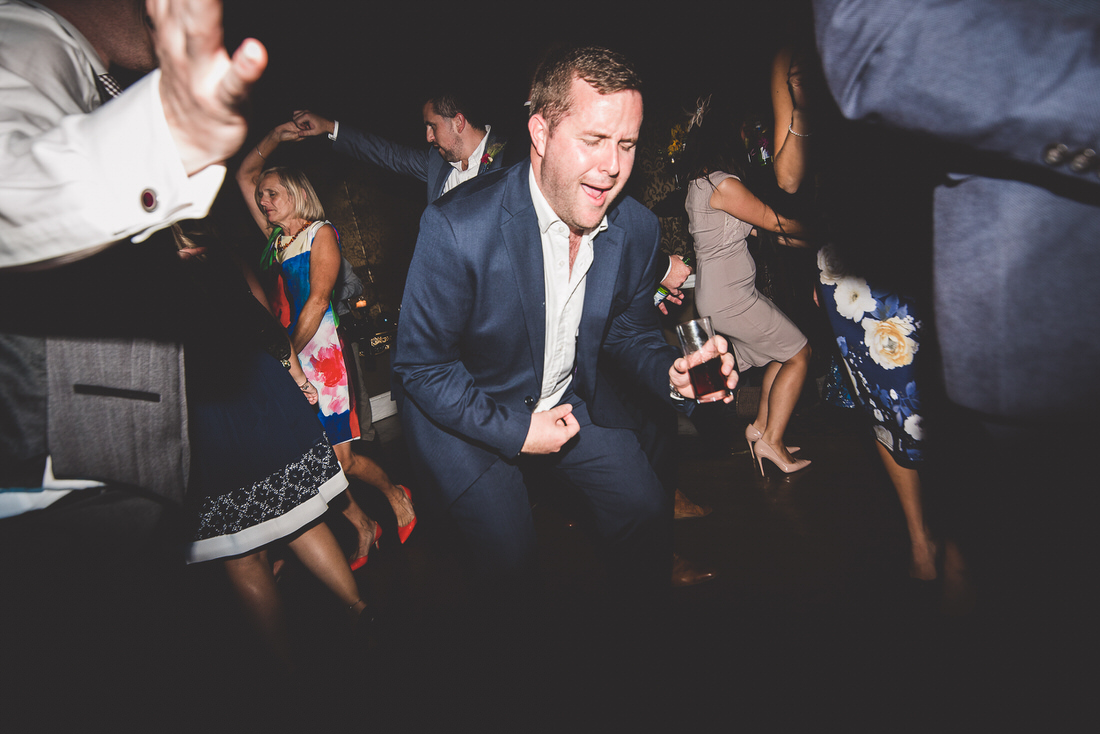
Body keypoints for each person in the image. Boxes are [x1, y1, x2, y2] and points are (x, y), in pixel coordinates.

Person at [390, 46, 738, 597]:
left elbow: (629, 331)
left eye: (625, 144)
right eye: (594, 140)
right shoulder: (457, 229)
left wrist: (672, 371)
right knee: (511, 561)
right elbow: (420, 367)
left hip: (562, 401)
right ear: (541, 133)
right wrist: (517, 430)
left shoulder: (637, 230)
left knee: (645, 504)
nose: (612, 166)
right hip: (466, 418)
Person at [812, 0, 1100, 618]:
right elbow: (871, 34)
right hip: (994, 284)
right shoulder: (799, 79)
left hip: (917, 256)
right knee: (897, 410)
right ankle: (925, 544)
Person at [237, 124, 417, 566]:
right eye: (261, 197)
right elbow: (244, 175)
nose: (263, 201)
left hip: (321, 353)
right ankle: (362, 525)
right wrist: (277, 134)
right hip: (290, 356)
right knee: (314, 462)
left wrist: (286, 355)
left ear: (296, 194)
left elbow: (318, 302)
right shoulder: (277, 242)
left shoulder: (320, 233)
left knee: (344, 459)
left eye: (272, 194)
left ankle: (395, 493)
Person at [679, 96, 812, 476]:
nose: (747, 138)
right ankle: (772, 441)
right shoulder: (723, 185)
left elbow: (771, 233)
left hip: (724, 295)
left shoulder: (699, 185)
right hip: (731, 298)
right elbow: (776, 223)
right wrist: (827, 232)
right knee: (800, 354)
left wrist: (818, 244)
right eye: (742, 132)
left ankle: (761, 430)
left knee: (777, 356)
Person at [291, 91, 509, 205]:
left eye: (432, 126)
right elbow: (387, 153)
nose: (428, 137)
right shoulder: (435, 162)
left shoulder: (512, 159)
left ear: (458, 122)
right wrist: (330, 127)